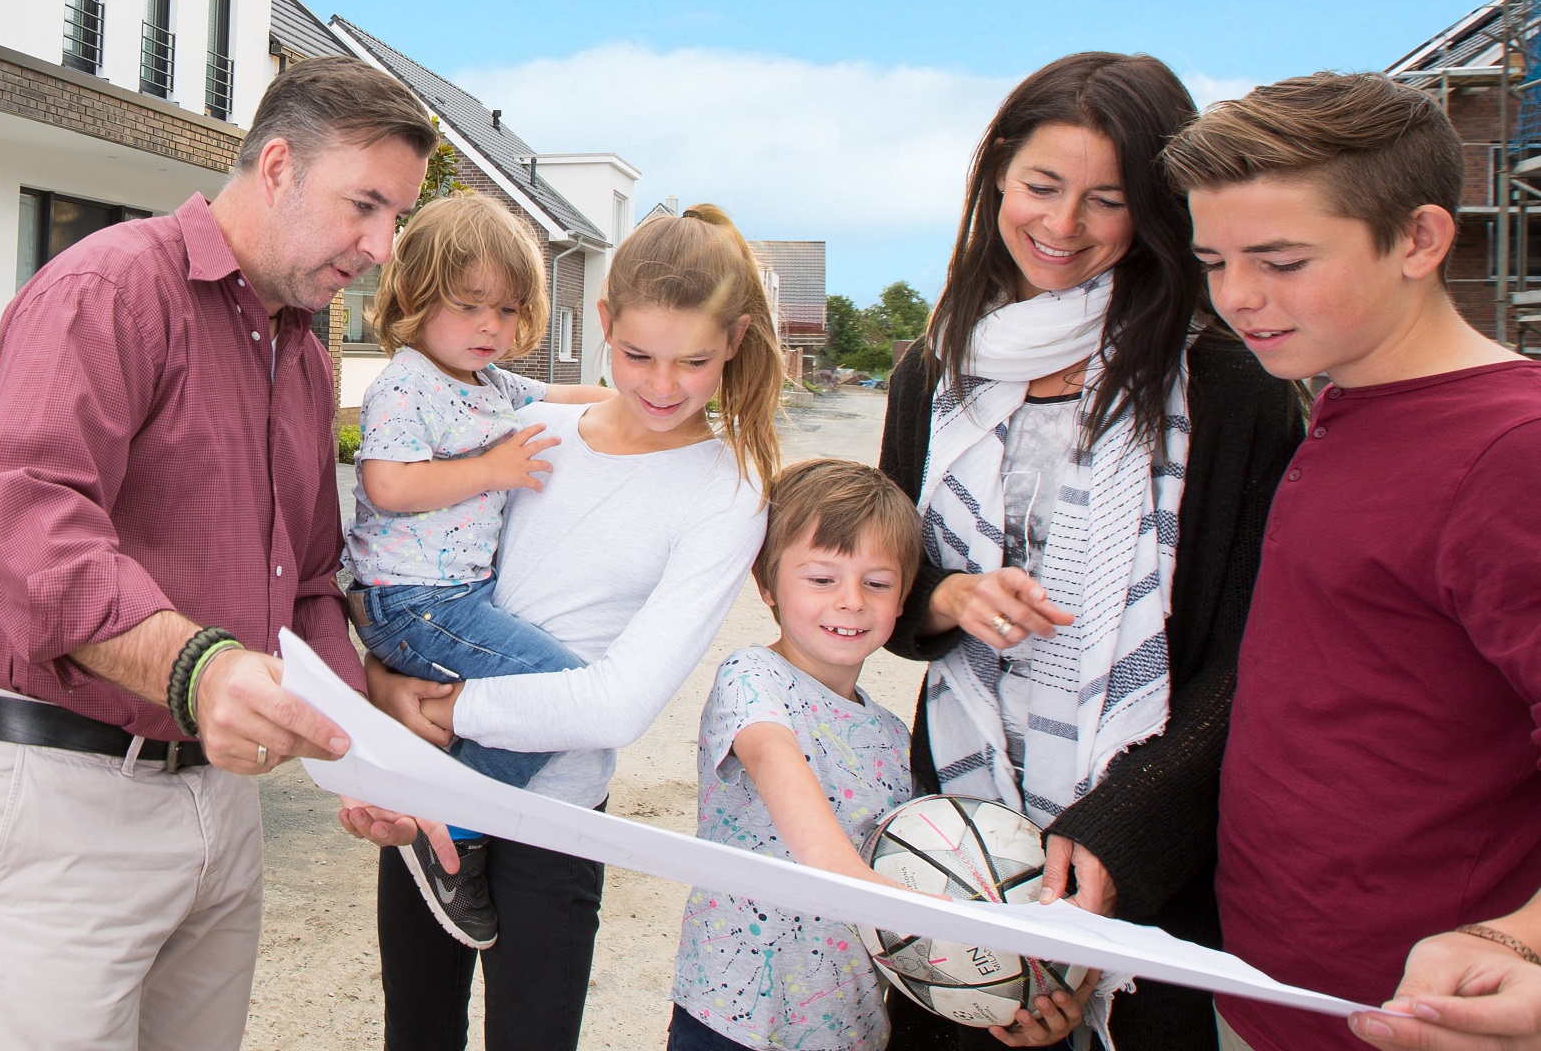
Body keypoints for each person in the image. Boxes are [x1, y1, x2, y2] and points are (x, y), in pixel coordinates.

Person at [0, 56, 438, 1051]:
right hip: (61, 799)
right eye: (365, 206)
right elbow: (24, 530)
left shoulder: (300, 350)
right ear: (280, 165)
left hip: (218, 803)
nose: (380, 247)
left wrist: (363, 747)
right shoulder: (109, 287)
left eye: (395, 218)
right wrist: (197, 668)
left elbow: (312, 591)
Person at [881, 52, 1301, 1051]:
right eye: (1040, 186)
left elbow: (1253, 654)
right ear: (995, 181)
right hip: (962, 834)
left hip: (1146, 848)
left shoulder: (1230, 389)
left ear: (1156, 208)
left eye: (1106, 200)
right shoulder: (931, 373)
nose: (1062, 225)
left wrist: (1118, 831)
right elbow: (886, 588)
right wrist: (946, 600)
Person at [1163, 72, 1541, 1051]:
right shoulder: (1339, 396)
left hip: (1411, 1022)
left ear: (1418, 239)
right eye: (1215, 260)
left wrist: (1529, 946)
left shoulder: (1514, 449)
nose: (1238, 297)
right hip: (1260, 987)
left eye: (1283, 260)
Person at [353, 206, 781, 1051]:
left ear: (733, 342)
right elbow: (420, 578)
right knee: (416, 1035)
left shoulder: (730, 488)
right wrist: (379, 685)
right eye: (637, 356)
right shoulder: (525, 429)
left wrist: (444, 713)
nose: (662, 386)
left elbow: (618, 706)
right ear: (604, 325)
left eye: (694, 361)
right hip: (432, 802)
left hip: (553, 815)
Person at [344, 190, 612, 949]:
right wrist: (492, 468)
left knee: (548, 696)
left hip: (454, 600)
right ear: (415, 299)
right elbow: (387, 485)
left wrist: (656, 402)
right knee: (562, 690)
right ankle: (449, 826)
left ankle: (445, 805)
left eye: (507, 309)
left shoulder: (495, 386)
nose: (491, 326)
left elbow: (571, 398)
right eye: (469, 306)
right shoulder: (405, 381)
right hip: (413, 602)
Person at [669, 458, 922, 1051]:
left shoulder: (892, 735)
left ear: (904, 598)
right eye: (822, 578)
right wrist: (914, 909)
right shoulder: (752, 678)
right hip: (734, 1015)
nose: (852, 601)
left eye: (878, 583)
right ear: (766, 585)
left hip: (850, 1026)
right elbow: (779, 764)